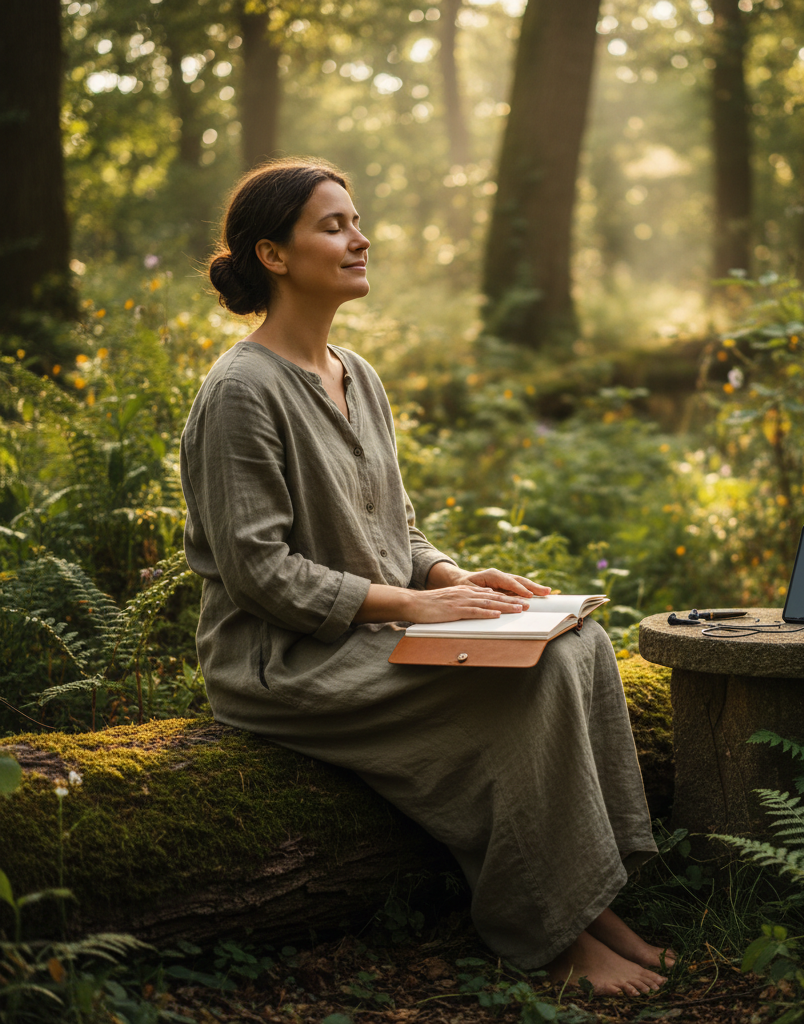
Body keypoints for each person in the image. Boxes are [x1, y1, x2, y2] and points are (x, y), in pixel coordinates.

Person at [179, 157, 672, 995]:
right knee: (531, 682)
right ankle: (551, 934)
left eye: (356, 220)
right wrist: (416, 604)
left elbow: (393, 532)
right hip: (283, 658)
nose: (359, 238)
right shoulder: (241, 390)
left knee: (577, 641)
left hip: (376, 625)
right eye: (333, 226)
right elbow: (259, 573)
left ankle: (592, 904)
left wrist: (454, 574)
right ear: (273, 255)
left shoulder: (356, 376)